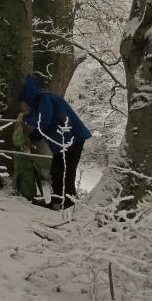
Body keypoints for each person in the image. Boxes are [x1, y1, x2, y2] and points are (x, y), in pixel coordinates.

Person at [18, 74, 91, 210]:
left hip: (72, 139)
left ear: (29, 98)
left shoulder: (45, 99)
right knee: (57, 172)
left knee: (65, 173)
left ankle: (67, 205)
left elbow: (44, 121)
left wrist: (25, 118)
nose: (23, 106)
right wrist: (32, 138)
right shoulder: (40, 103)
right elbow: (45, 125)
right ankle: (59, 203)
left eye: (23, 102)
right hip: (64, 141)